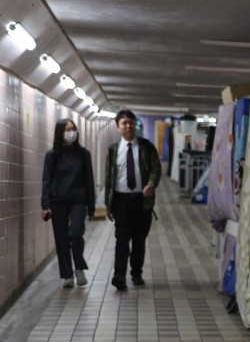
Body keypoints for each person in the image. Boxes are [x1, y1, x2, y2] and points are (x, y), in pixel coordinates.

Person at [104, 109, 161, 291]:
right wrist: (108, 205)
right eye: (124, 123)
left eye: (131, 122)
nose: (128, 126)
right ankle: (119, 275)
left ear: (135, 125)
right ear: (118, 127)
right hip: (121, 200)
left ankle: (136, 273)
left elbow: (155, 168)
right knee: (121, 239)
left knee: (138, 239)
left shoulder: (146, 146)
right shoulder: (114, 150)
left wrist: (151, 184)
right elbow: (109, 177)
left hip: (141, 200)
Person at [41, 118, 95, 288]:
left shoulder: (83, 154)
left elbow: (89, 180)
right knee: (62, 239)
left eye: (73, 129)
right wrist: (45, 205)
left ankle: (79, 266)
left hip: (78, 200)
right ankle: (67, 276)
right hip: (58, 201)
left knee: (76, 234)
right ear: (60, 133)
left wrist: (91, 206)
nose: (71, 132)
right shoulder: (52, 155)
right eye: (67, 130)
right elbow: (46, 181)